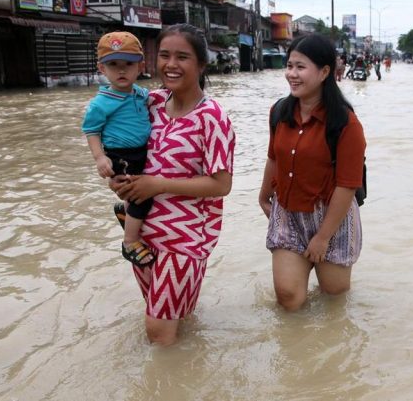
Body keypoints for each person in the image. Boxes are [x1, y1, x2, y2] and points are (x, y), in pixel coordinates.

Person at [111, 24, 236, 345]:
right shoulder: (148, 103)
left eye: (182, 57)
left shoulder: (213, 117)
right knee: (175, 318)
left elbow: (221, 184)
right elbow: (119, 140)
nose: (171, 64)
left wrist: (158, 184)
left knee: (157, 330)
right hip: (141, 231)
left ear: (201, 65)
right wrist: (117, 177)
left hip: (186, 238)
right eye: (164, 55)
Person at [258, 34, 366, 311]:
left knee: (334, 299)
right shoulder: (279, 112)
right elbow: (274, 157)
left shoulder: (346, 123)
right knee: (289, 299)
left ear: (324, 72)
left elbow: (347, 185)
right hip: (288, 212)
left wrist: (322, 237)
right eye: (289, 66)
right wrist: (263, 196)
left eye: (300, 67)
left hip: (331, 216)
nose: (291, 74)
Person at [82, 31, 155, 267]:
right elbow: (91, 131)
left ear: (140, 67)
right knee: (142, 197)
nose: (121, 70)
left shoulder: (141, 94)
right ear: (102, 69)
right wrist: (99, 158)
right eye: (113, 64)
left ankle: (124, 210)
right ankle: (130, 241)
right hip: (120, 155)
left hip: (139, 151)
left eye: (128, 64)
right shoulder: (101, 102)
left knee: (135, 193)